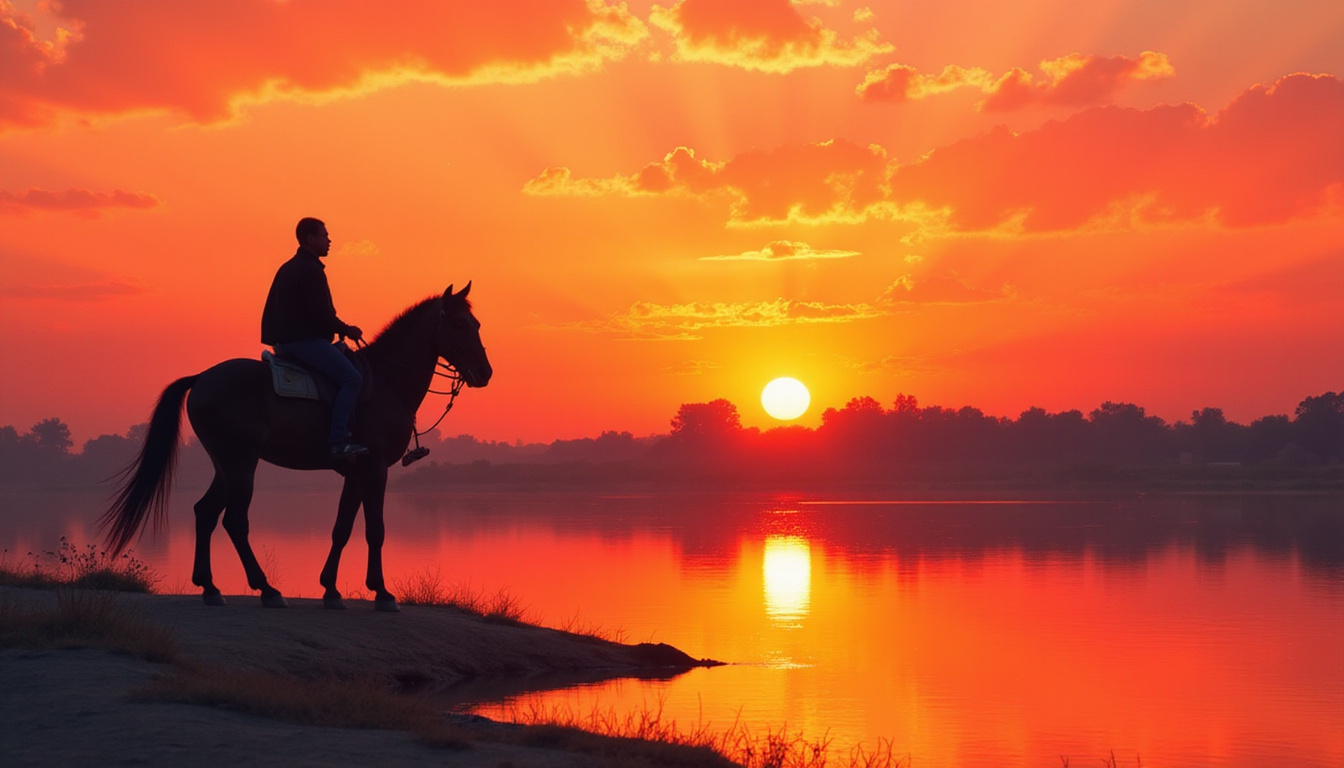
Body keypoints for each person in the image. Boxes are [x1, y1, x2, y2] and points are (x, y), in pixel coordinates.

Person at [261, 217, 368, 460]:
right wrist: (347, 329)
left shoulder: (290, 267)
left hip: (287, 341)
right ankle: (338, 441)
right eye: (324, 235)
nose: (329, 240)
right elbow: (321, 312)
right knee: (352, 379)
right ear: (310, 239)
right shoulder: (310, 270)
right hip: (304, 342)